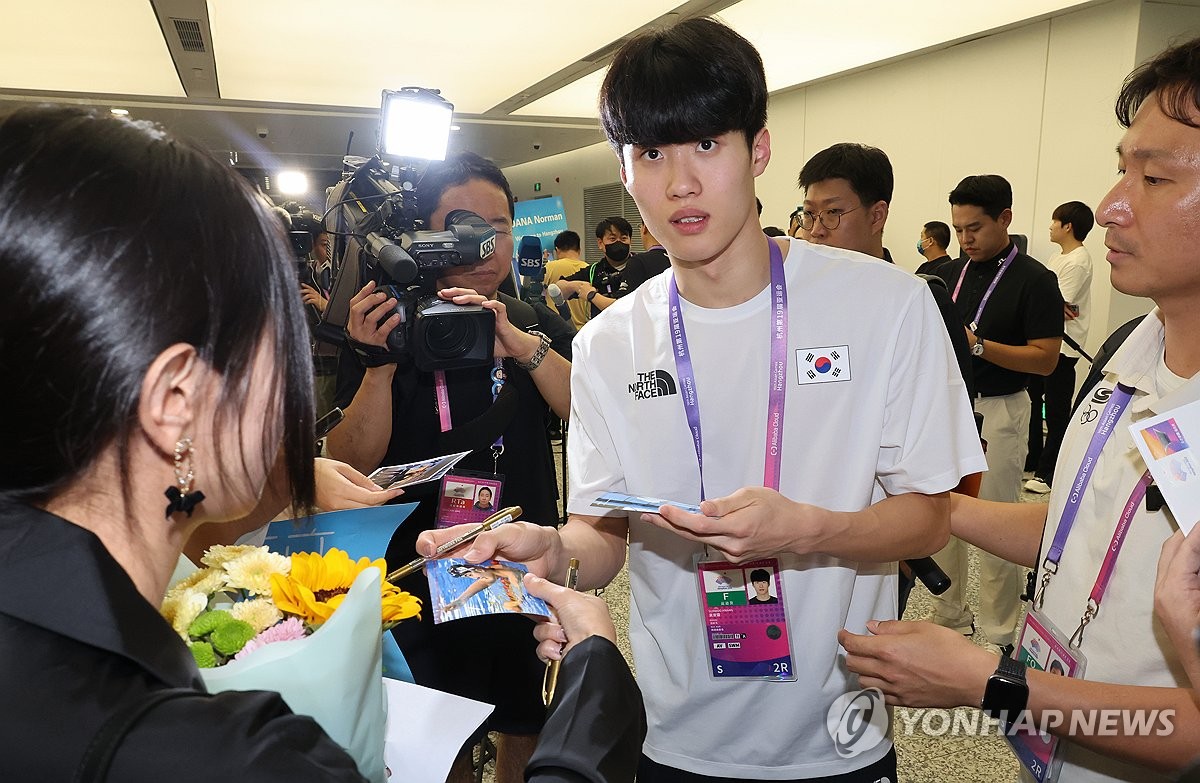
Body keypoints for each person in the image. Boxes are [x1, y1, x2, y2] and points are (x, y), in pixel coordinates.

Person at [0, 104, 645, 783]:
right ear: (174, 401)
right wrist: (595, 690)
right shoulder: (232, 755)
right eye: (275, 347)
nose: (290, 394)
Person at [419, 17, 983, 782]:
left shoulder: (884, 305)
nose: (679, 182)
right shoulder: (612, 341)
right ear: (625, 167)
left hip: (836, 732)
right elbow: (603, 530)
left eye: (706, 145)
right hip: (669, 733)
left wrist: (806, 528)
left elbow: (928, 516)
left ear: (759, 149)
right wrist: (555, 552)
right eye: (652, 152)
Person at [840, 37, 1200, 781]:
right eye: (1122, 168)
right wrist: (936, 508)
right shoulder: (1135, 347)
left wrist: (992, 681)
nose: (1110, 206)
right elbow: (1081, 521)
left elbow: (1193, 731)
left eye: (1156, 177)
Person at [327, 150, 574, 783]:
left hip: (525, 555)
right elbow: (348, 462)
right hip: (426, 565)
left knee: (529, 717)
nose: (484, 243)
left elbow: (589, 412)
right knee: (442, 733)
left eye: (499, 225)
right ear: (427, 234)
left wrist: (524, 348)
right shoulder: (390, 327)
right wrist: (377, 363)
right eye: (463, 223)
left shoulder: (532, 321)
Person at [796, 142, 978, 615]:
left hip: (886, 538)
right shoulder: (794, 301)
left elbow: (951, 433)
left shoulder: (916, 303)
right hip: (802, 528)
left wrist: (911, 545)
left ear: (877, 214)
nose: (816, 231)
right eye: (809, 214)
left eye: (833, 214)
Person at [926, 174, 1064, 653]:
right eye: (959, 228)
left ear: (1005, 219)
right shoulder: (948, 275)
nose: (966, 239)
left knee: (997, 525)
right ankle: (949, 617)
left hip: (1002, 412)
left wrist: (978, 346)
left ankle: (1001, 632)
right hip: (949, 411)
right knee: (944, 518)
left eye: (976, 228)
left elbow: (1045, 358)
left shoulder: (1035, 279)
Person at [1025, 201, 1095, 494]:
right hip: (1044, 341)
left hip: (1064, 349)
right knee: (1032, 402)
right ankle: (1032, 459)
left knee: (1055, 412)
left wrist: (1052, 304)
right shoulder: (1058, 258)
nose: (1050, 227)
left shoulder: (1078, 260)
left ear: (1068, 226)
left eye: (1055, 222)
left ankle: (1048, 473)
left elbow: (1055, 302)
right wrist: (1051, 304)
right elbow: (1048, 302)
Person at [555, 216, 633, 316]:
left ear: (630, 241)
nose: (618, 242)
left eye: (623, 238)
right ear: (600, 243)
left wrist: (591, 295)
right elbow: (559, 288)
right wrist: (576, 286)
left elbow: (622, 307)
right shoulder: (594, 271)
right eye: (612, 239)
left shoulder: (640, 265)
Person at [544, 230, 590, 331]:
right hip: (581, 331)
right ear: (579, 250)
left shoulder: (549, 267)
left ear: (557, 250)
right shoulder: (590, 270)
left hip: (556, 329)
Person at [616, 222, 671, 296]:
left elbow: (623, 304)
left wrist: (594, 295)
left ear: (645, 228)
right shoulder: (680, 260)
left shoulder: (638, 262)